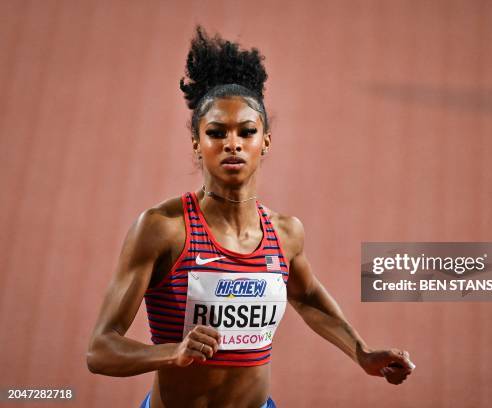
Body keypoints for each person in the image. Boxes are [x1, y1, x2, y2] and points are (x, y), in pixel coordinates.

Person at [86, 26, 415, 408]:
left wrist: (361, 352)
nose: (232, 143)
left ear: (265, 141)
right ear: (197, 142)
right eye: (215, 132)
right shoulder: (164, 229)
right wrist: (170, 353)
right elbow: (100, 349)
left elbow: (307, 296)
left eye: (246, 131)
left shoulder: (285, 233)